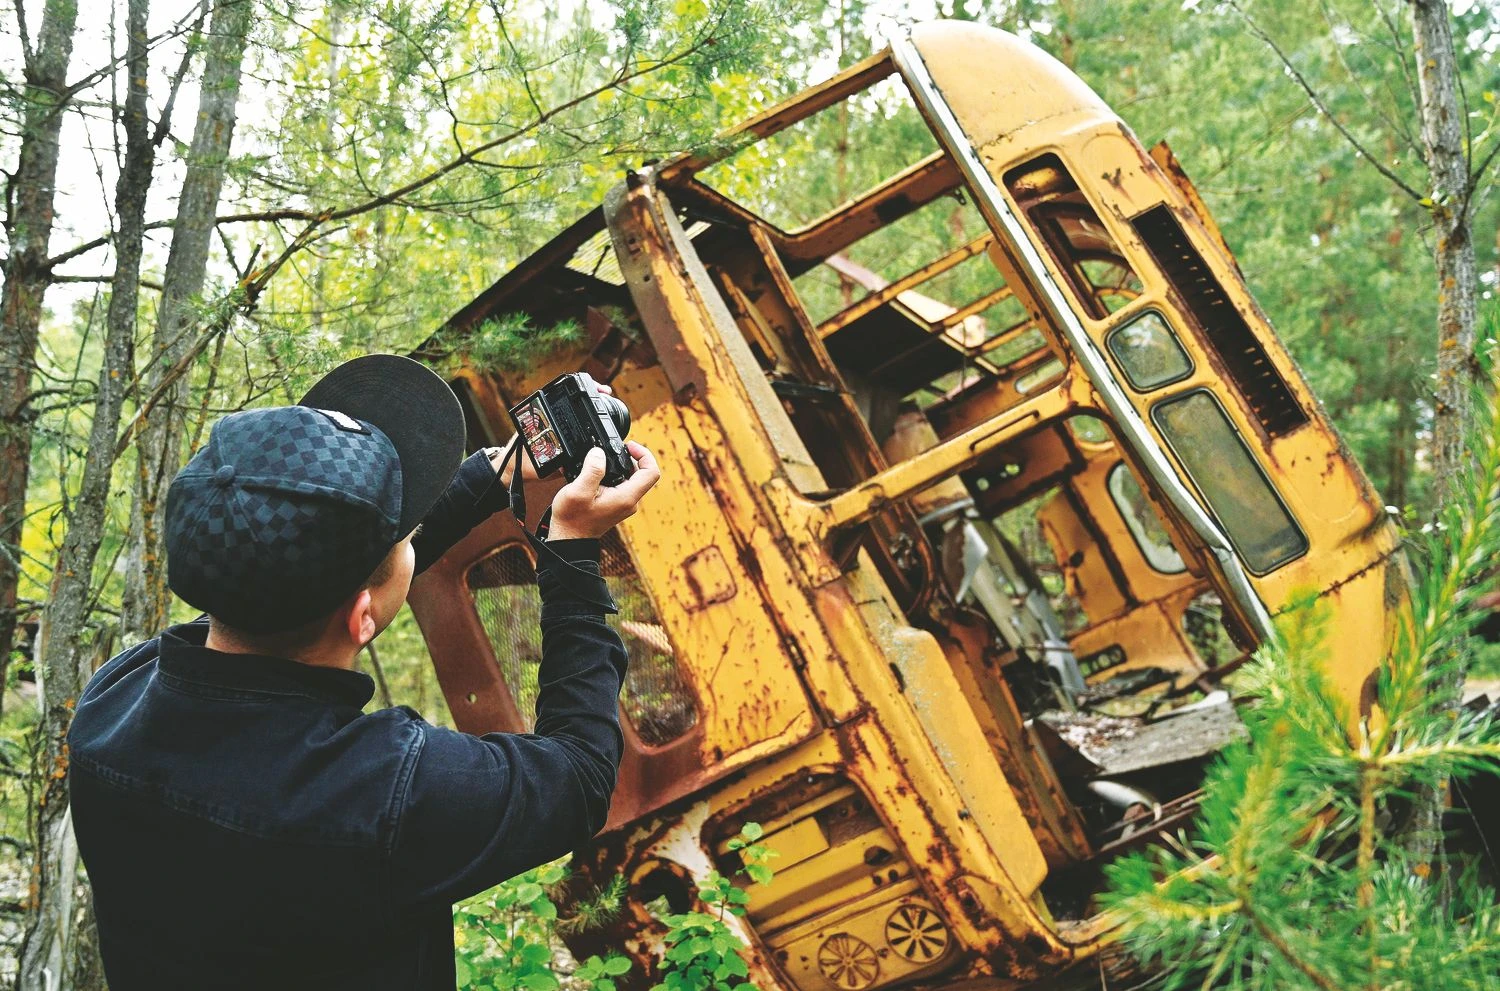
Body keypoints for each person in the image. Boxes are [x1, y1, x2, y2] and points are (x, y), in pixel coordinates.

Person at [67, 354, 661, 990]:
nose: (411, 536)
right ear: (361, 618)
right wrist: (571, 551)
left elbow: (312, 583)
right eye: (404, 536)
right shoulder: (385, 795)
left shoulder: (113, 702)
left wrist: (496, 473)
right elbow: (579, 778)